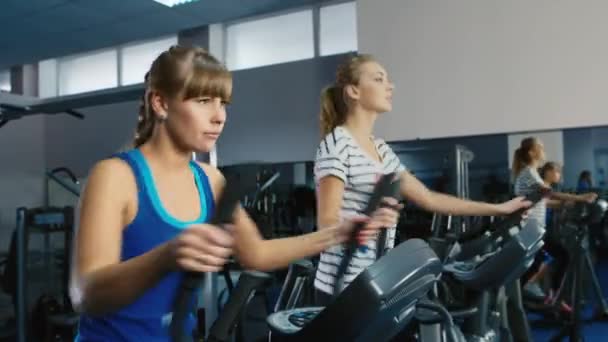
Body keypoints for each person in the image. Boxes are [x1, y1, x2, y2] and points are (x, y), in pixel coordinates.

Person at [69, 45, 401, 341]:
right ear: (160, 102)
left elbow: (256, 254)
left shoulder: (209, 180)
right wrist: (167, 256)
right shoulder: (115, 176)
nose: (219, 117)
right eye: (203, 101)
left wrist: (336, 234)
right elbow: (85, 295)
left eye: (223, 103)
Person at [312, 53, 532, 304]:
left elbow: (428, 198)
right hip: (342, 287)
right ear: (354, 91)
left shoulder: (380, 149)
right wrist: (367, 223)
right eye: (379, 79)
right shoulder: (337, 144)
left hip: (373, 280)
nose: (390, 85)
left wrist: (499, 209)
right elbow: (327, 223)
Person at [511, 138, 597, 339]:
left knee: (541, 261)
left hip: (535, 230)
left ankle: (538, 294)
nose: (544, 152)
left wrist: (563, 205)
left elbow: (542, 202)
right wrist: (580, 198)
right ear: (532, 153)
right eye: (541, 149)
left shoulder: (530, 174)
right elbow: (548, 194)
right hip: (531, 230)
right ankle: (541, 296)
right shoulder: (529, 174)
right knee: (560, 256)